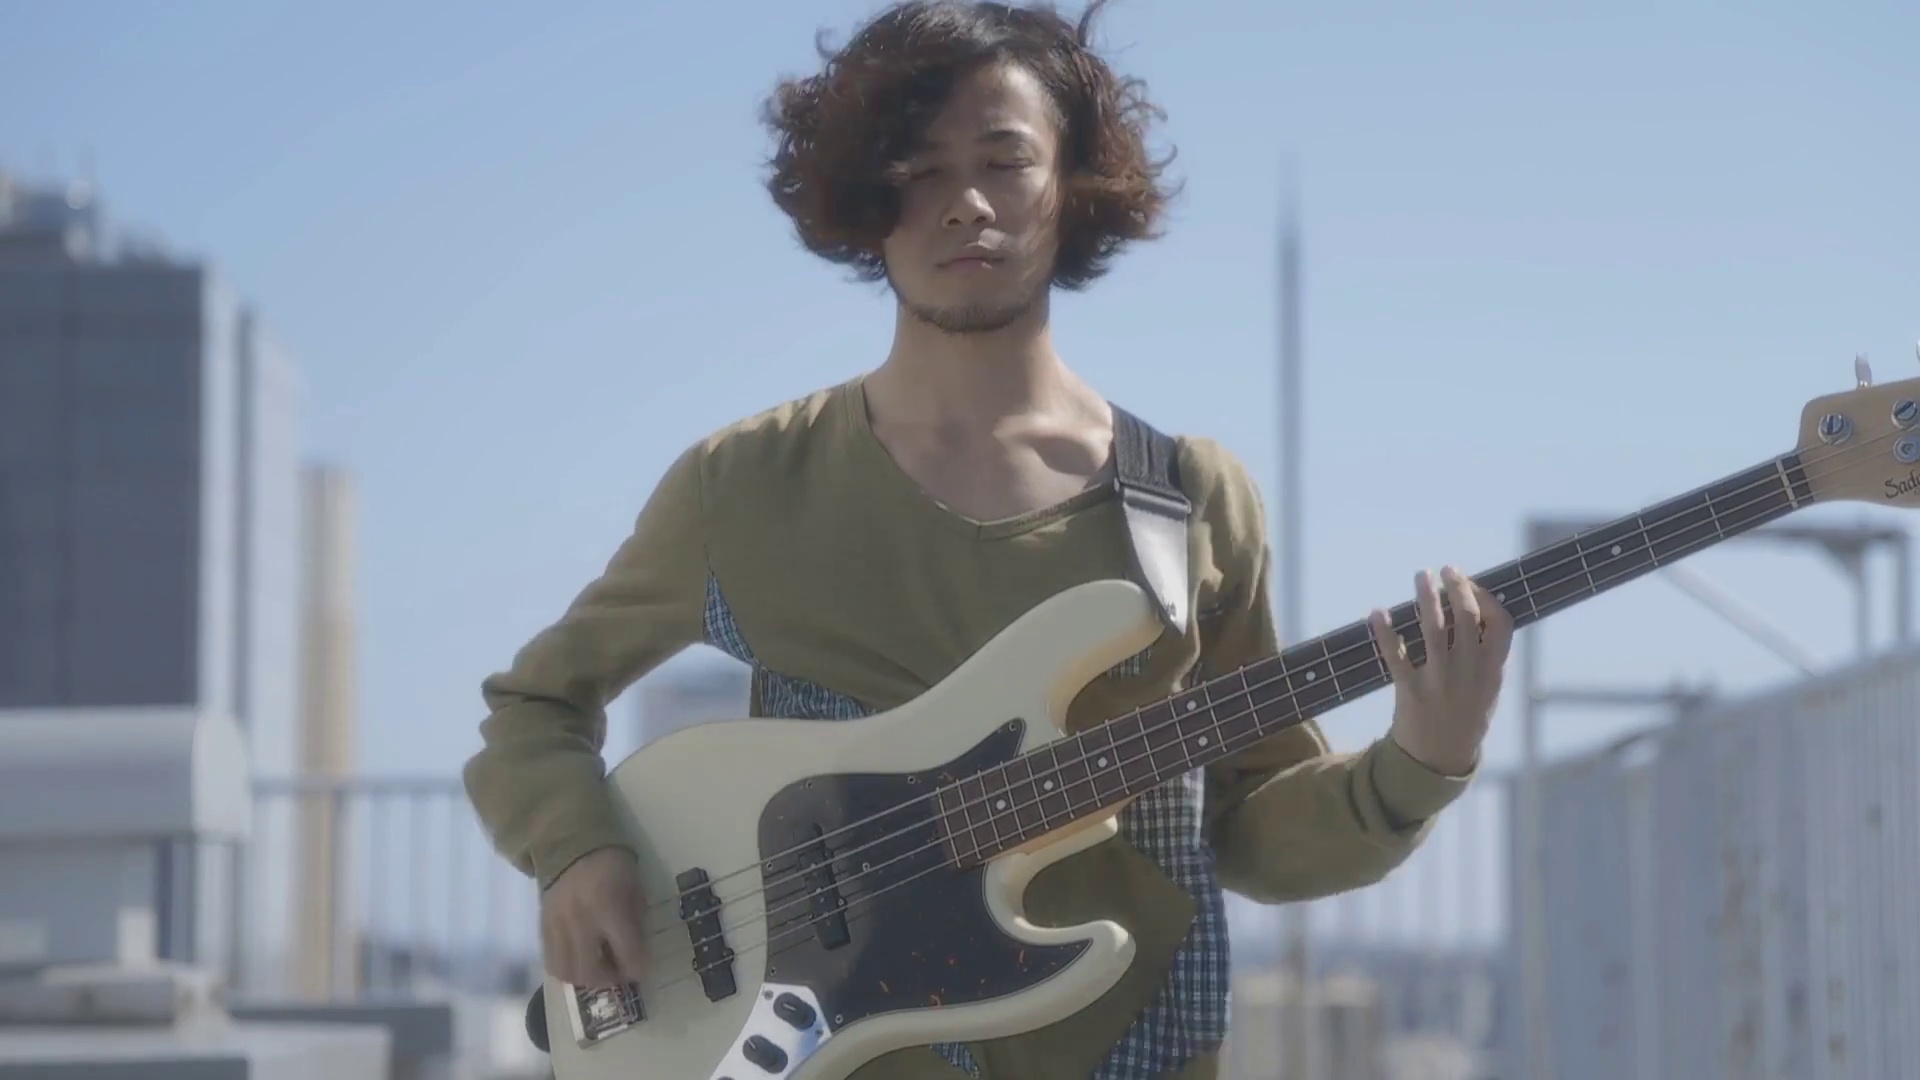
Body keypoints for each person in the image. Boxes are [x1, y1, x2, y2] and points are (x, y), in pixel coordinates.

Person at [461, 1, 1514, 1077]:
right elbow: (536, 707)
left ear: (1074, 186)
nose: (965, 203)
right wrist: (577, 849)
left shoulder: (1191, 500)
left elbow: (1249, 830)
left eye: (1005, 162)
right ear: (864, 200)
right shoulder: (745, 484)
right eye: (917, 170)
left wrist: (1422, 763)